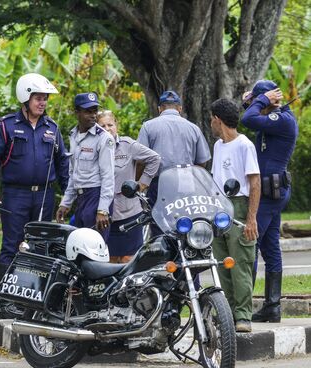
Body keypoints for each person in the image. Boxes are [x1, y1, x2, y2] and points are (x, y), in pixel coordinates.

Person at [0, 73, 69, 319]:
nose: (43, 103)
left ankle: (35, 302)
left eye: (45, 99)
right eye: (38, 98)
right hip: (15, 195)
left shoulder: (52, 128)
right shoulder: (6, 125)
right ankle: (7, 303)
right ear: (25, 97)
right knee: (12, 246)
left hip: (44, 196)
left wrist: (69, 196)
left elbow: (62, 163)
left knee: (41, 248)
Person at [241, 80, 298, 323]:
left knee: (250, 244)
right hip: (269, 191)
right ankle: (272, 307)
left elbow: (248, 120)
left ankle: (241, 308)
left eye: (258, 100)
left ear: (270, 100)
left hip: (269, 193)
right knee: (270, 247)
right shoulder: (271, 117)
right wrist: (250, 101)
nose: (255, 104)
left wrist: (262, 101)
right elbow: (247, 115)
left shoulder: (282, 119)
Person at [209, 98, 261, 333]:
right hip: (218, 207)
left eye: (211, 118)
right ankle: (227, 313)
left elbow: (255, 181)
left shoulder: (244, 145)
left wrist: (251, 218)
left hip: (239, 205)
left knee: (240, 263)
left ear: (218, 120)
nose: (210, 122)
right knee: (222, 262)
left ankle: (243, 316)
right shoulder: (218, 145)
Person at [138, 90, 211, 234]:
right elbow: (202, 161)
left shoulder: (148, 126)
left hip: (159, 184)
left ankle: (163, 256)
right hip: (186, 184)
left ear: (160, 109)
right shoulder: (193, 128)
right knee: (185, 224)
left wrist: (139, 183)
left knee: (159, 226)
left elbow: (140, 160)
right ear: (180, 108)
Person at [97, 110, 160, 263]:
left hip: (129, 214)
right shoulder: (94, 147)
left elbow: (154, 159)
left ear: (116, 125)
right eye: (102, 126)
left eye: (110, 124)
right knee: (108, 261)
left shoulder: (127, 145)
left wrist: (142, 184)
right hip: (105, 214)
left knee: (129, 260)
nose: (107, 128)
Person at [56, 93, 115, 241]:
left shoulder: (103, 138)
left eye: (95, 111)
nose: (93, 115)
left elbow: (108, 176)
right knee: (80, 249)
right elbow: (73, 173)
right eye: (88, 111)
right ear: (77, 112)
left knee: (95, 249)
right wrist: (66, 203)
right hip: (81, 199)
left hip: (96, 197)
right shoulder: (73, 135)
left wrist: (102, 210)